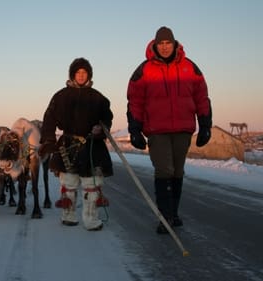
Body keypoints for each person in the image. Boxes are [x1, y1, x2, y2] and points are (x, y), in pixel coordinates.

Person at [126, 26, 212, 234]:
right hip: (157, 130)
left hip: (183, 129)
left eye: (168, 43)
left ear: (174, 44)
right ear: (155, 45)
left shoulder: (190, 68)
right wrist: (135, 129)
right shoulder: (144, 70)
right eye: (161, 43)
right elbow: (135, 101)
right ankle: (165, 218)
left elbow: (201, 98)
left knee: (178, 171)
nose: (165, 47)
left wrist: (205, 125)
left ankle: (173, 213)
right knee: (164, 170)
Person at [38, 57, 113, 231]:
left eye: (84, 72)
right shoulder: (61, 96)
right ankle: (68, 216)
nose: (81, 75)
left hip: (92, 146)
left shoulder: (98, 98)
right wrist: (49, 139)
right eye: (77, 72)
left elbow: (107, 118)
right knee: (69, 183)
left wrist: (101, 129)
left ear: (89, 75)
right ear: (72, 74)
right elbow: (49, 119)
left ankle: (91, 220)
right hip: (68, 145)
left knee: (91, 184)